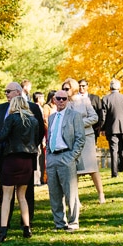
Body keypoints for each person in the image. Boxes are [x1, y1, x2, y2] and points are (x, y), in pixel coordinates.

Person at [0, 82, 45, 232]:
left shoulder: (33, 108)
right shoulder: (1, 108)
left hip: (23, 155)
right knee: (6, 192)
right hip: (5, 154)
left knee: (25, 192)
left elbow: (40, 131)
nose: (6, 94)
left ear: (17, 92)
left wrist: (28, 147)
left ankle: (26, 222)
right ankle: (4, 222)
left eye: (8, 91)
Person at [0, 95, 40, 242]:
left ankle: (3, 230)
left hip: (12, 160)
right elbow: (35, 141)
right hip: (27, 161)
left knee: (7, 196)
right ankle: (27, 227)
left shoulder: (11, 118)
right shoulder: (34, 121)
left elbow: (1, 136)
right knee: (22, 196)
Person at [46, 89, 86, 231]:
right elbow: (49, 137)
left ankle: (73, 222)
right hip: (52, 158)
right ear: (54, 100)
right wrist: (48, 156)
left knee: (71, 193)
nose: (61, 101)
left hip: (66, 156)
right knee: (54, 193)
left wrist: (72, 156)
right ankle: (59, 223)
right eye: (59, 98)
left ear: (67, 100)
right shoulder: (51, 117)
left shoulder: (74, 116)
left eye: (64, 98)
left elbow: (80, 138)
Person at [63, 78, 105, 204]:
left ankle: (101, 194)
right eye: (63, 89)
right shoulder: (63, 103)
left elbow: (95, 117)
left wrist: (80, 123)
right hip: (72, 139)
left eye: (67, 89)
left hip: (87, 137)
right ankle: (76, 199)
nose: (64, 91)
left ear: (73, 88)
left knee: (92, 168)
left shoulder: (84, 101)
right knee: (74, 170)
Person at [101, 79, 123, 177]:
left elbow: (103, 116)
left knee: (113, 151)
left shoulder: (105, 99)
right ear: (119, 88)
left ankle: (114, 173)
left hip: (111, 128)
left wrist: (102, 128)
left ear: (110, 87)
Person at [32, 91, 47, 185]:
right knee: (37, 157)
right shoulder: (37, 108)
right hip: (37, 138)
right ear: (38, 98)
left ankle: (39, 178)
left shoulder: (37, 108)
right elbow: (40, 124)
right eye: (42, 98)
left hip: (38, 137)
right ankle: (36, 180)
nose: (44, 100)